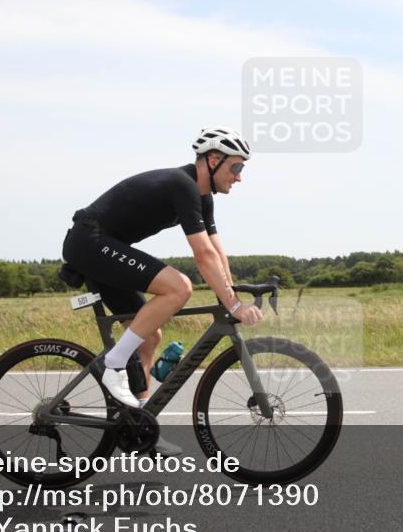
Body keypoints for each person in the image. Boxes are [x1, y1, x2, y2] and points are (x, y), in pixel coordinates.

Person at [61, 127, 263, 428]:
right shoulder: (182, 185)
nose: (239, 176)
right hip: (90, 241)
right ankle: (112, 365)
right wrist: (233, 306)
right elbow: (202, 255)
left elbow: (216, 252)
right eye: (237, 166)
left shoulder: (203, 197)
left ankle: (139, 422)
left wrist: (232, 291)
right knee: (179, 287)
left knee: (149, 335)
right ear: (213, 160)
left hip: (103, 246)